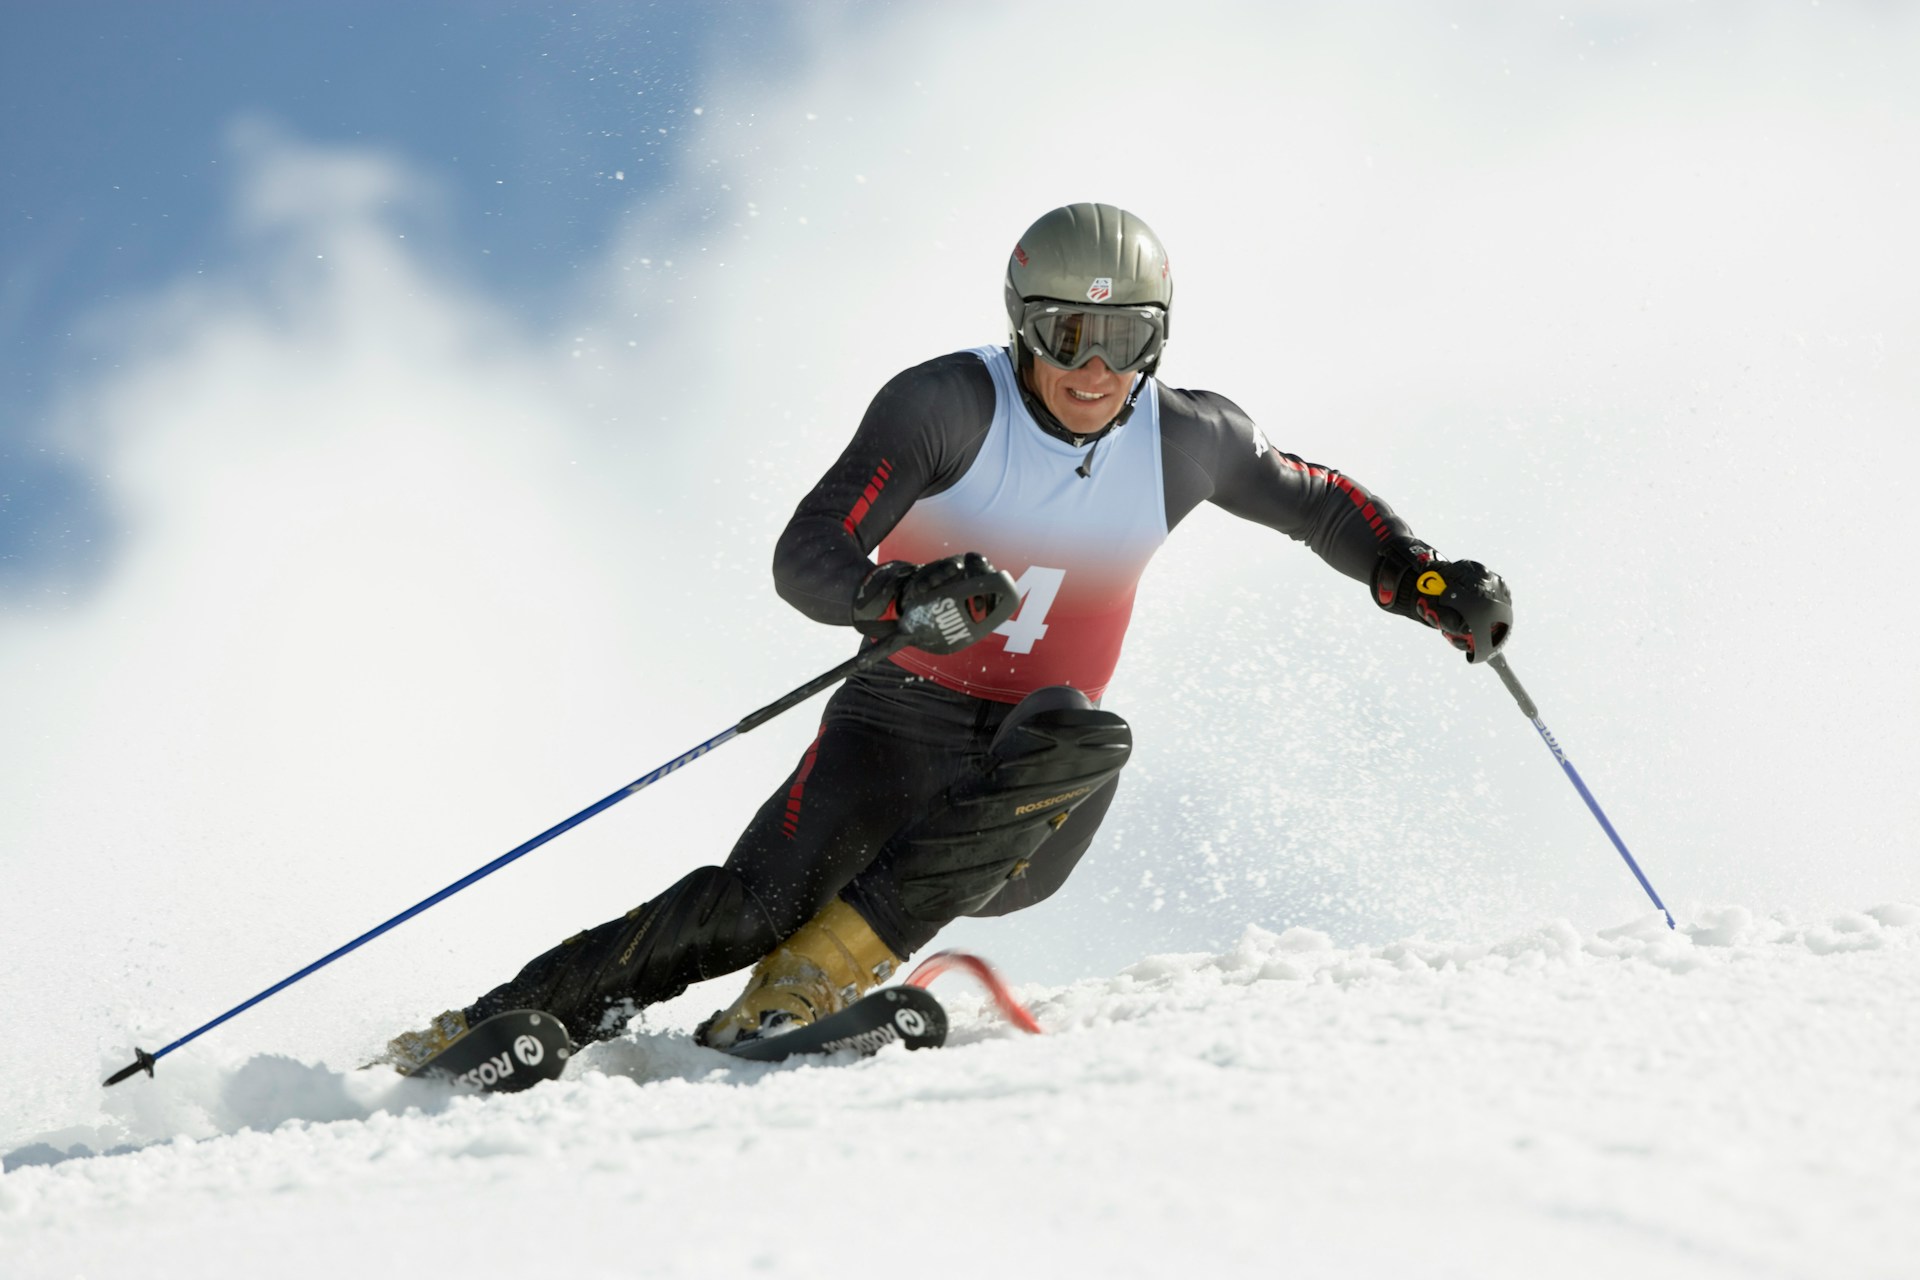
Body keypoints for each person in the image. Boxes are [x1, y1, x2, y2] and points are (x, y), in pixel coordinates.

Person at [386, 202, 1512, 1067]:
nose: (1092, 368)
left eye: (1124, 338)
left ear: (1158, 341)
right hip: (891, 726)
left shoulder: (1188, 438)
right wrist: (896, 599)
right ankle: (489, 1028)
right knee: (747, 907)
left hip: (1022, 791)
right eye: (1066, 331)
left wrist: (1420, 578)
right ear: (1021, 324)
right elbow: (808, 553)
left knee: (1084, 729)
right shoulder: (946, 407)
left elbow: (1318, 501)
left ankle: (808, 986)